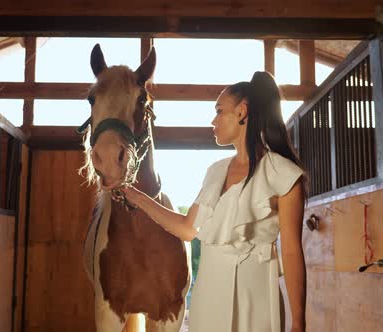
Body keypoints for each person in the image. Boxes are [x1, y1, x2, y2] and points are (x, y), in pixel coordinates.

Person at [116, 71, 307, 332]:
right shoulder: (215, 171)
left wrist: (299, 322)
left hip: (257, 295)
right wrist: (138, 197)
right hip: (209, 294)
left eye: (219, 110)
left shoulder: (283, 174)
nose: (213, 120)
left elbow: (293, 252)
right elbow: (187, 228)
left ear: (241, 112)